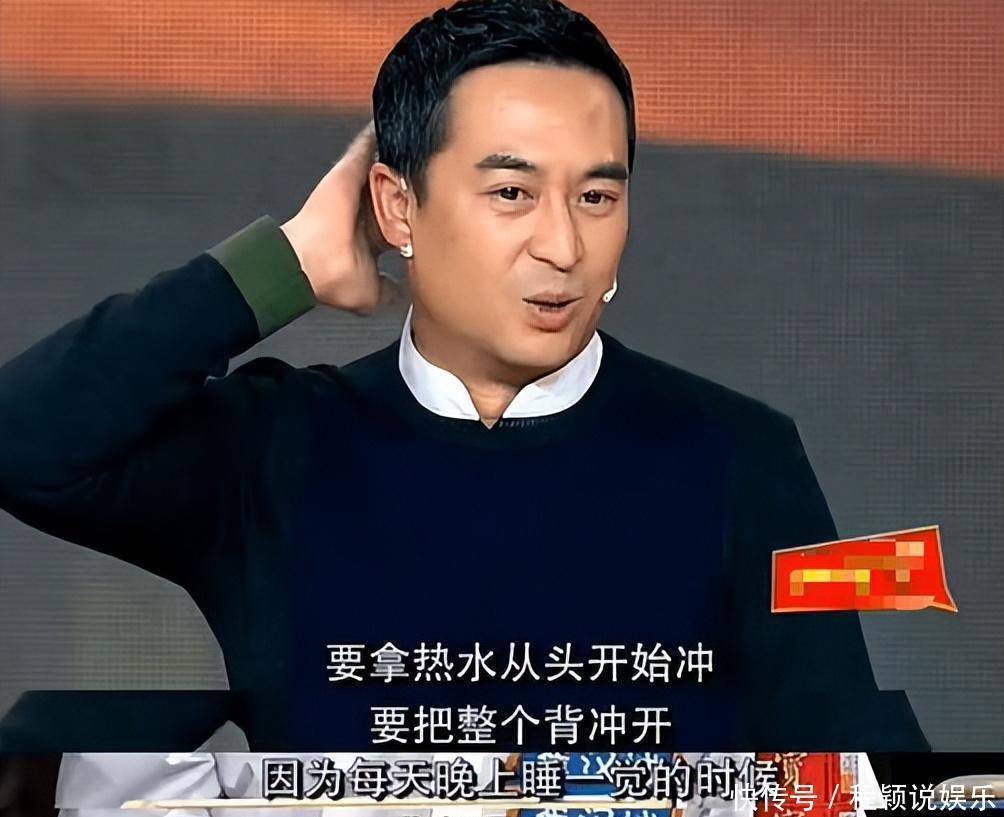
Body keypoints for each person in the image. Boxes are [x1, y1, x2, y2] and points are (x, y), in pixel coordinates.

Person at [0, 0, 927, 752]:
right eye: (512, 193)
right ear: (398, 206)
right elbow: (26, 441)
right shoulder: (276, 448)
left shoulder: (746, 455)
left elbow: (855, 765)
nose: (564, 245)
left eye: (597, 195)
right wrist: (291, 262)